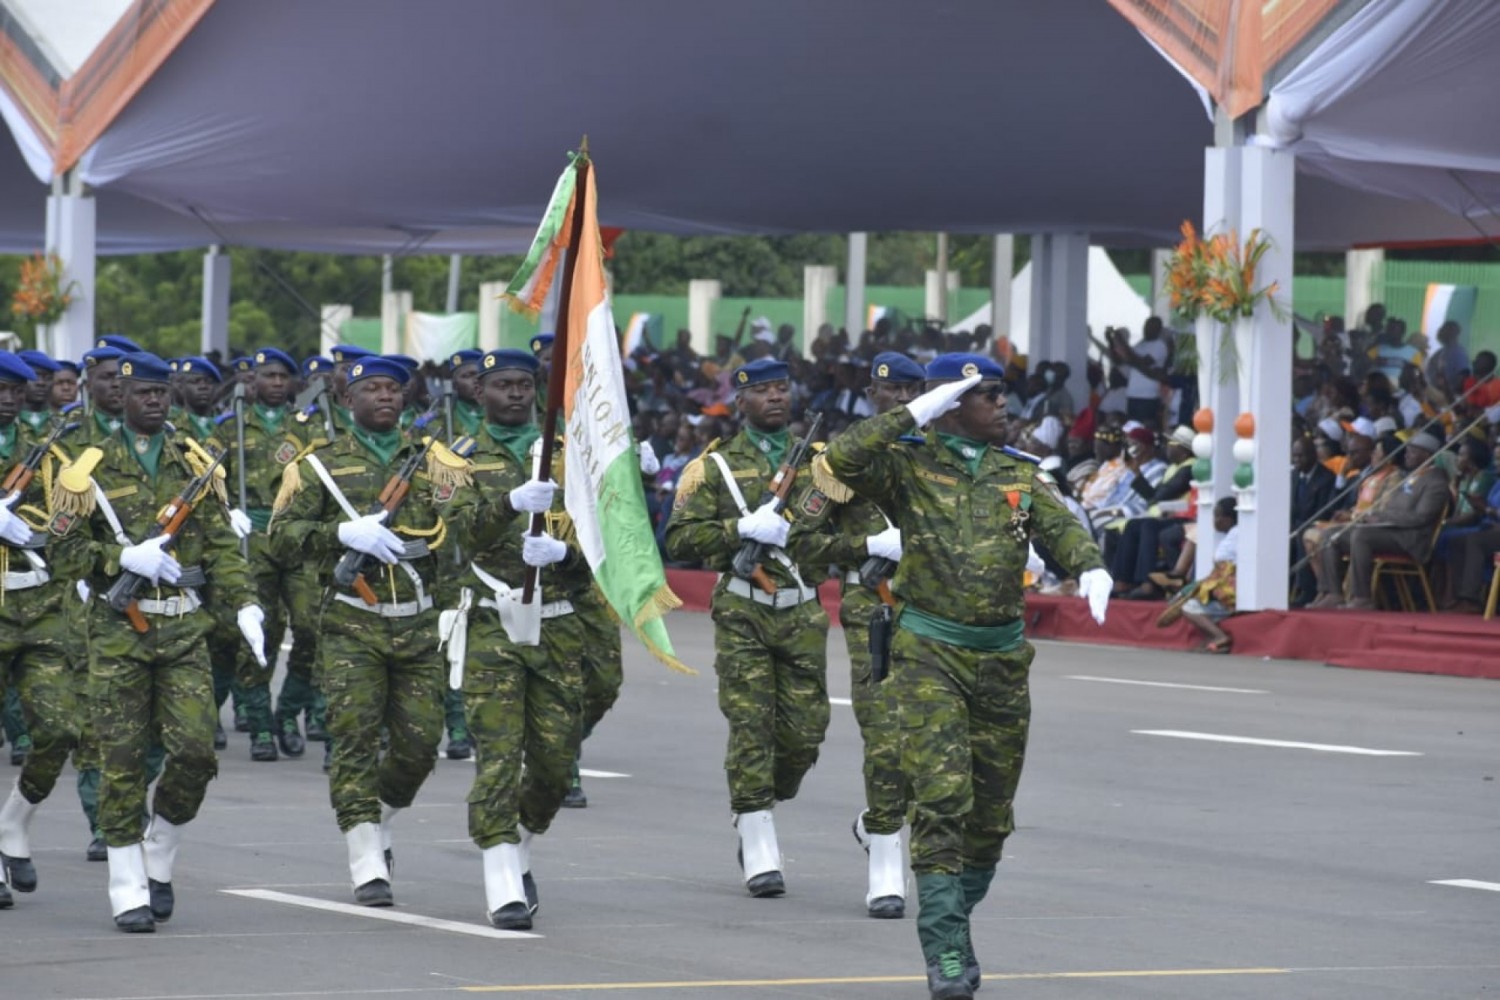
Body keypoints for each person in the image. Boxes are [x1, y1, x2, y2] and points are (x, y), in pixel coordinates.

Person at [818, 353, 1108, 1000]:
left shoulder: (1018, 472)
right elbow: (840, 462)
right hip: (930, 653)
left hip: (1002, 657)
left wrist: (1089, 564)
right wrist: (913, 411)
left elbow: (1058, 525)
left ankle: (954, 917)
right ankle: (946, 950)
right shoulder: (909, 463)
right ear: (953, 404)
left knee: (991, 818)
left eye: (1004, 395)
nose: (1004, 406)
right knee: (943, 801)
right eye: (990, 396)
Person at [56, 351, 264, 932]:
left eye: (161, 393)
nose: (154, 401)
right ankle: (127, 883)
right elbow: (62, 549)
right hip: (119, 633)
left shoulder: (192, 463)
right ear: (120, 398)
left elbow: (221, 545)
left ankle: (161, 848)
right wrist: (120, 556)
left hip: (181, 629)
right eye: (143, 393)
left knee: (197, 750)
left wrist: (246, 601)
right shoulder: (85, 469)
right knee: (120, 759)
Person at [272, 355, 464, 906]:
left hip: (419, 622)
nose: (385, 396)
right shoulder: (318, 467)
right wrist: (341, 533)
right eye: (372, 389)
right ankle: (364, 856)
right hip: (351, 624)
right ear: (347, 400)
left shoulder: (434, 463)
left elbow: (464, 529)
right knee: (353, 739)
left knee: (421, 744)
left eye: (393, 389)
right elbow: (282, 538)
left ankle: (377, 819)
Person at [664, 357, 833, 899]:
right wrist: (738, 528)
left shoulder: (820, 464)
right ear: (740, 403)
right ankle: (756, 829)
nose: (776, 398)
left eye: (782, 388)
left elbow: (848, 526)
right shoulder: (712, 468)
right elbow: (680, 540)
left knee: (806, 733)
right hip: (743, 610)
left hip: (803, 608)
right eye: (762, 391)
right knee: (751, 724)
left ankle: (763, 797)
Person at [443, 348, 592, 928]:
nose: (515, 395)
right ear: (479, 392)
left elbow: (599, 548)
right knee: (499, 755)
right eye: (502, 386)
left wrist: (564, 552)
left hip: (556, 622)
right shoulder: (456, 459)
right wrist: (508, 504)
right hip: (491, 619)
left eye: (524, 386)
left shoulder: (563, 455)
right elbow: (455, 533)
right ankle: (501, 870)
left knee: (555, 763)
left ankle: (522, 841)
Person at [806, 352, 922, 919]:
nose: (897, 401)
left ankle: (881, 823)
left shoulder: (944, 453)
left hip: (934, 605)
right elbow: (802, 541)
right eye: (887, 392)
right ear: (869, 397)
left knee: (927, 736)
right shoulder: (837, 464)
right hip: (870, 604)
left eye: (908, 391)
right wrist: (865, 548)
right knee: (883, 731)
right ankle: (884, 852)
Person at [0, 351, 92, 907]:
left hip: (38, 606)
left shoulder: (47, 452)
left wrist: (25, 524)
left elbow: (70, 517)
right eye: (0, 390)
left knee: (59, 729)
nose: (9, 399)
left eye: (16, 391)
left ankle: (13, 822)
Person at [1313, 431, 1449, 610]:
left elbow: (1421, 517)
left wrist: (1382, 517)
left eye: (1413, 451)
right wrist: (1372, 517)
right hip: (1387, 530)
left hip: (1410, 537)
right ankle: (1333, 593)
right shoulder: (1410, 476)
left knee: (1362, 536)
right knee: (1331, 535)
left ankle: (1362, 597)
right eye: (1407, 450)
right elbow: (1388, 506)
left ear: (1427, 455)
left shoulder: (1436, 481)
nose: (1406, 454)